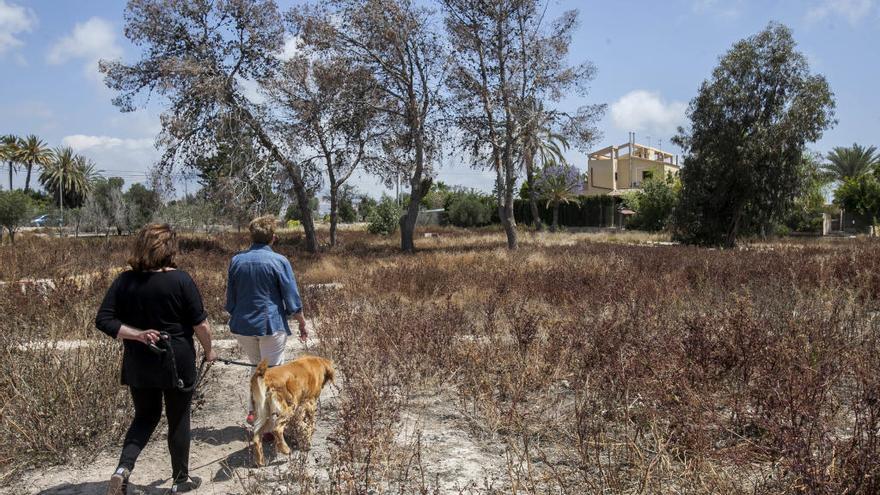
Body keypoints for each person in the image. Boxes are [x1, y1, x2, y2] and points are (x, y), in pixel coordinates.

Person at [96, 224, 216, 495]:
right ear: (170, 248)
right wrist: (209, 351)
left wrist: (137, 335)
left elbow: (104, 320)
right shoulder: (181, 280)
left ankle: (122, 470)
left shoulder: (124, 280)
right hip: (177, 361)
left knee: (145, 416)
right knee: (178, 417)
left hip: (140, 361)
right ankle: (180, 479)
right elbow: (201, 326)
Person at [225, 215, 307, 423]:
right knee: (273, 372)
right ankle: (267, 420)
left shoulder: (236, 260)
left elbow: (230, 300)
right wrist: (301, 321)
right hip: (270, 323)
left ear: (251, 236)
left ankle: (255, 409)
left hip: (242, 325)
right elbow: (291, 296)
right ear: (273, 237)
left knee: (257, 368)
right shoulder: (279, 261)